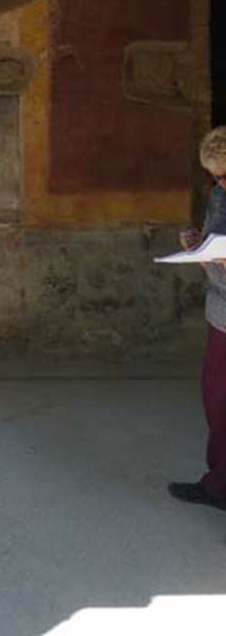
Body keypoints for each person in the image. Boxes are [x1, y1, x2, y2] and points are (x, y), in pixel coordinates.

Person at [168, 126, 226, 510]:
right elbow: (214, 236)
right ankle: (219, 483)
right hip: (221, 311)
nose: (221, 182)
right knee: (216, 399)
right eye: (216, 175)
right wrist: (197, 243)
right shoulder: (220, 195)